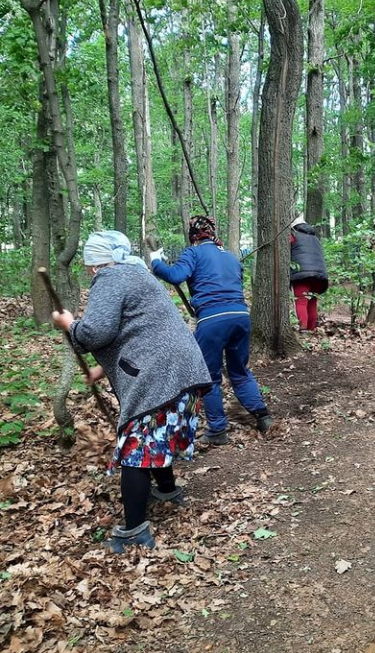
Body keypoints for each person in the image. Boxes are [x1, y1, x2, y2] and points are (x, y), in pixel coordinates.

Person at [51, 231, 212, 553]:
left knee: (136, 450)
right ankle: (167, 490)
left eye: (87, 265)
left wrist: (68, 323)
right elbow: (139, 328)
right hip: (182, 368)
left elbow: (96, 333)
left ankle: (134, 529)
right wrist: (102, 368)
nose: (87, 271)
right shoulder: (137, 273)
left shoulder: (110, 277)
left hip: (160, 373)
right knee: (156, 433)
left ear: (95, 264)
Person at [150, 215, 274, 444]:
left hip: (213, 320)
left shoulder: (193, 253)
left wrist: (156, 262)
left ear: (193, 237)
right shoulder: (231, 257)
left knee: (210, 377)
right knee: (240, 371)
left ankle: (217, 430)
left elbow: (175, 276)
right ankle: (263, 416)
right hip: (240, 317)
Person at [290, 213, 329, 332]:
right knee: (312, 302)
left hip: (302, 275)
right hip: (319, 276)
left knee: (301, 302)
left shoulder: (293, 235)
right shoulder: (315, 238)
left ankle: (303, 331)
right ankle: (311, 330)